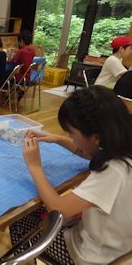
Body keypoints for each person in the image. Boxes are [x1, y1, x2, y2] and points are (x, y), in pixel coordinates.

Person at [21, 86, 132, 264]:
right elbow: (92, 152)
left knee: (22, 224)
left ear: (96, 137)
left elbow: (58, 208)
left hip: (93, 256)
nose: (71, 139)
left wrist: (34, 165)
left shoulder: (114, 172)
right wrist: (57, 139)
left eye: (72, 134)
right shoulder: (121, 147)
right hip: (117, 244)